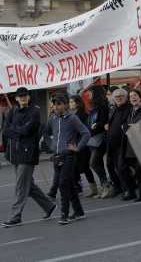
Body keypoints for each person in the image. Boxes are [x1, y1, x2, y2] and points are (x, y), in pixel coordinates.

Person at [2, 87, 57, 227]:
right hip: (14, 153)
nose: (23, 98)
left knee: (21, 186)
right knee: (29, 186)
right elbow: (6, 130)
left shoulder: (35, 111)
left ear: (29, 97)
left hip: (28, 154)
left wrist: (15, 130)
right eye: (20, 96)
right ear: (16, 98)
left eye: (25, 95)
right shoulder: (12, 111)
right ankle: (48, 206)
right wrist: (17, 131)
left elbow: (27, 130)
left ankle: (16, 216)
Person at [48, 94, 90, 225]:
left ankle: (64, 214)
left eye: (59, 104)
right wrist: (51, 145)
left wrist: (78, 147)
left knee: (63, 184)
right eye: (54, 104)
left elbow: (86, 133)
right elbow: (45, 132)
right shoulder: (52, 118)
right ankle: (79, 211)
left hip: (69, 156)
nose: (56, 106)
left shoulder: (72, 118)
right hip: (57, 156)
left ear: (65, 105)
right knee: (70, 185)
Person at [69, 95, 98, 197]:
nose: (70, 104)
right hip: (76, 143)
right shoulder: (74, 114)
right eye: (70, 102)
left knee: (84, 167)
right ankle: (79, 187)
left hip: (82, 144)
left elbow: (82, 130)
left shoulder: (81, 115)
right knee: (76, 167)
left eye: (72, 102)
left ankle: (92, 188)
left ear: (77, 103)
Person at [87, 86, 112, 198]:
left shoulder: (103, 106)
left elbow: (104, 121)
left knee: (93, 162)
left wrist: (97, 125)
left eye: (91, 93)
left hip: (100, 137)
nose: (89, 95)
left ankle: (106, 186)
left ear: (96, 94)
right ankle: (103, 186)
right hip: (93, 138)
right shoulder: (93, 107)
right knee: (98, 163)